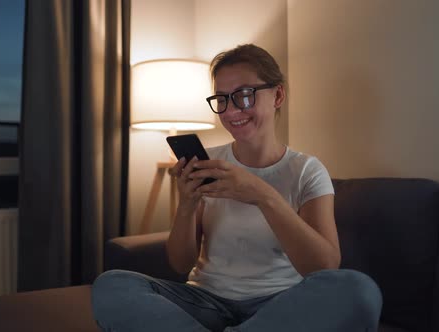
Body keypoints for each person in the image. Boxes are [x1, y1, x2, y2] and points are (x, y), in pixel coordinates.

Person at [91, 44, 382, 332]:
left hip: (279, 305)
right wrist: (187, 204)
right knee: (112, 284)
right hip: (205, 300)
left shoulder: (306, 171)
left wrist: (263, 195)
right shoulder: (209, 162)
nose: (231, 111)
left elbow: (324, 267)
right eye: (222, 99)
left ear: (277, 95)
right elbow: (180, 264)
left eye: (244, 95)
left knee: (359, 290)